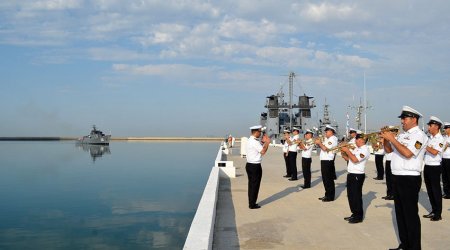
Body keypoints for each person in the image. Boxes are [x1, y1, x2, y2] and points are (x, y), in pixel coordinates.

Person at [381, 106, 428, 250]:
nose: (402, 121)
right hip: (397, 177)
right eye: (402, 118)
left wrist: (392, 139)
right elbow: (389, 151)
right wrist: (385, 139)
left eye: (404, 118)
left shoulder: (420, 135)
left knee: (410, 215)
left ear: (414, 119)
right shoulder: (401, 136)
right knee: (400, 215)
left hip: (409, 178)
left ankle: (414, 247)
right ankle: (404, 245)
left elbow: (408, 153)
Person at [340, 132, 370, 224]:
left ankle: (358, 216)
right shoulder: (358, 149)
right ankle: (354, 213)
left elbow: (355, 160)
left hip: (357, 175)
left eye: (356, 139)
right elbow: (349, 159)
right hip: (351, 174)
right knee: (351, 196)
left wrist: (347, 150)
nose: (355, 141)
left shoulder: (364, 150)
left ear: (361, 140)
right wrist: (343, 152)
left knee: (356, 196)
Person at [423, 116, 445, 221]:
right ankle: (433, 210)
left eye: (430, 125)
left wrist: (424, 145)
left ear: (437, 126)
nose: (429, 127)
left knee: (436, 191)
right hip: (427, 166)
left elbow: (434, 152)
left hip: (435, 167)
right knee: (430, 190)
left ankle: (438, 214)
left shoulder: (441, 139)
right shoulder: (430, 138)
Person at [245, 125, 270, 209]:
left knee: (251, 185)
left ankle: (251, 202)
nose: (261, 133)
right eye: (260, 132)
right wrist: (267, 142)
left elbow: (258, 148)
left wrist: (263, 142)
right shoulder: (255, 142)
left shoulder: (251, 140)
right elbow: (263, 152)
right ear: (256, 132)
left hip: (249, 165)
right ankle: (252, 204)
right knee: (255, 185)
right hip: (255, 166)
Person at [315, 125, 338, 202]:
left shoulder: (333, 139)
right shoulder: (327, 139)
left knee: (328, 179)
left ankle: (330, 196)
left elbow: (325, 149)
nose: (325, 132)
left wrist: (320, 143)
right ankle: (327, 194)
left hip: (328, 161)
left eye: (327, 131)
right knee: (325, 179)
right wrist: (319, 143)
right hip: (324, 160)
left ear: (331, 131)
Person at [382, 126, 399, 200]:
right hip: (388, 160)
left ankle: (393, 194)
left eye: (390, 131)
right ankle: (389, 194)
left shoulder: (397, 139)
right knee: (388, 179)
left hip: (393, 161)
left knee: (392, 179)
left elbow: (391, 150)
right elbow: (387, 150)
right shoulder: (388, 140)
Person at [442, 122, 450, 199]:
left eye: (446, 128)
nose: (445, 130)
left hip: (449, 159)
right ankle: (446, 192)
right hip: (444, 158)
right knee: (444, 177)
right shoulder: (444, 137)